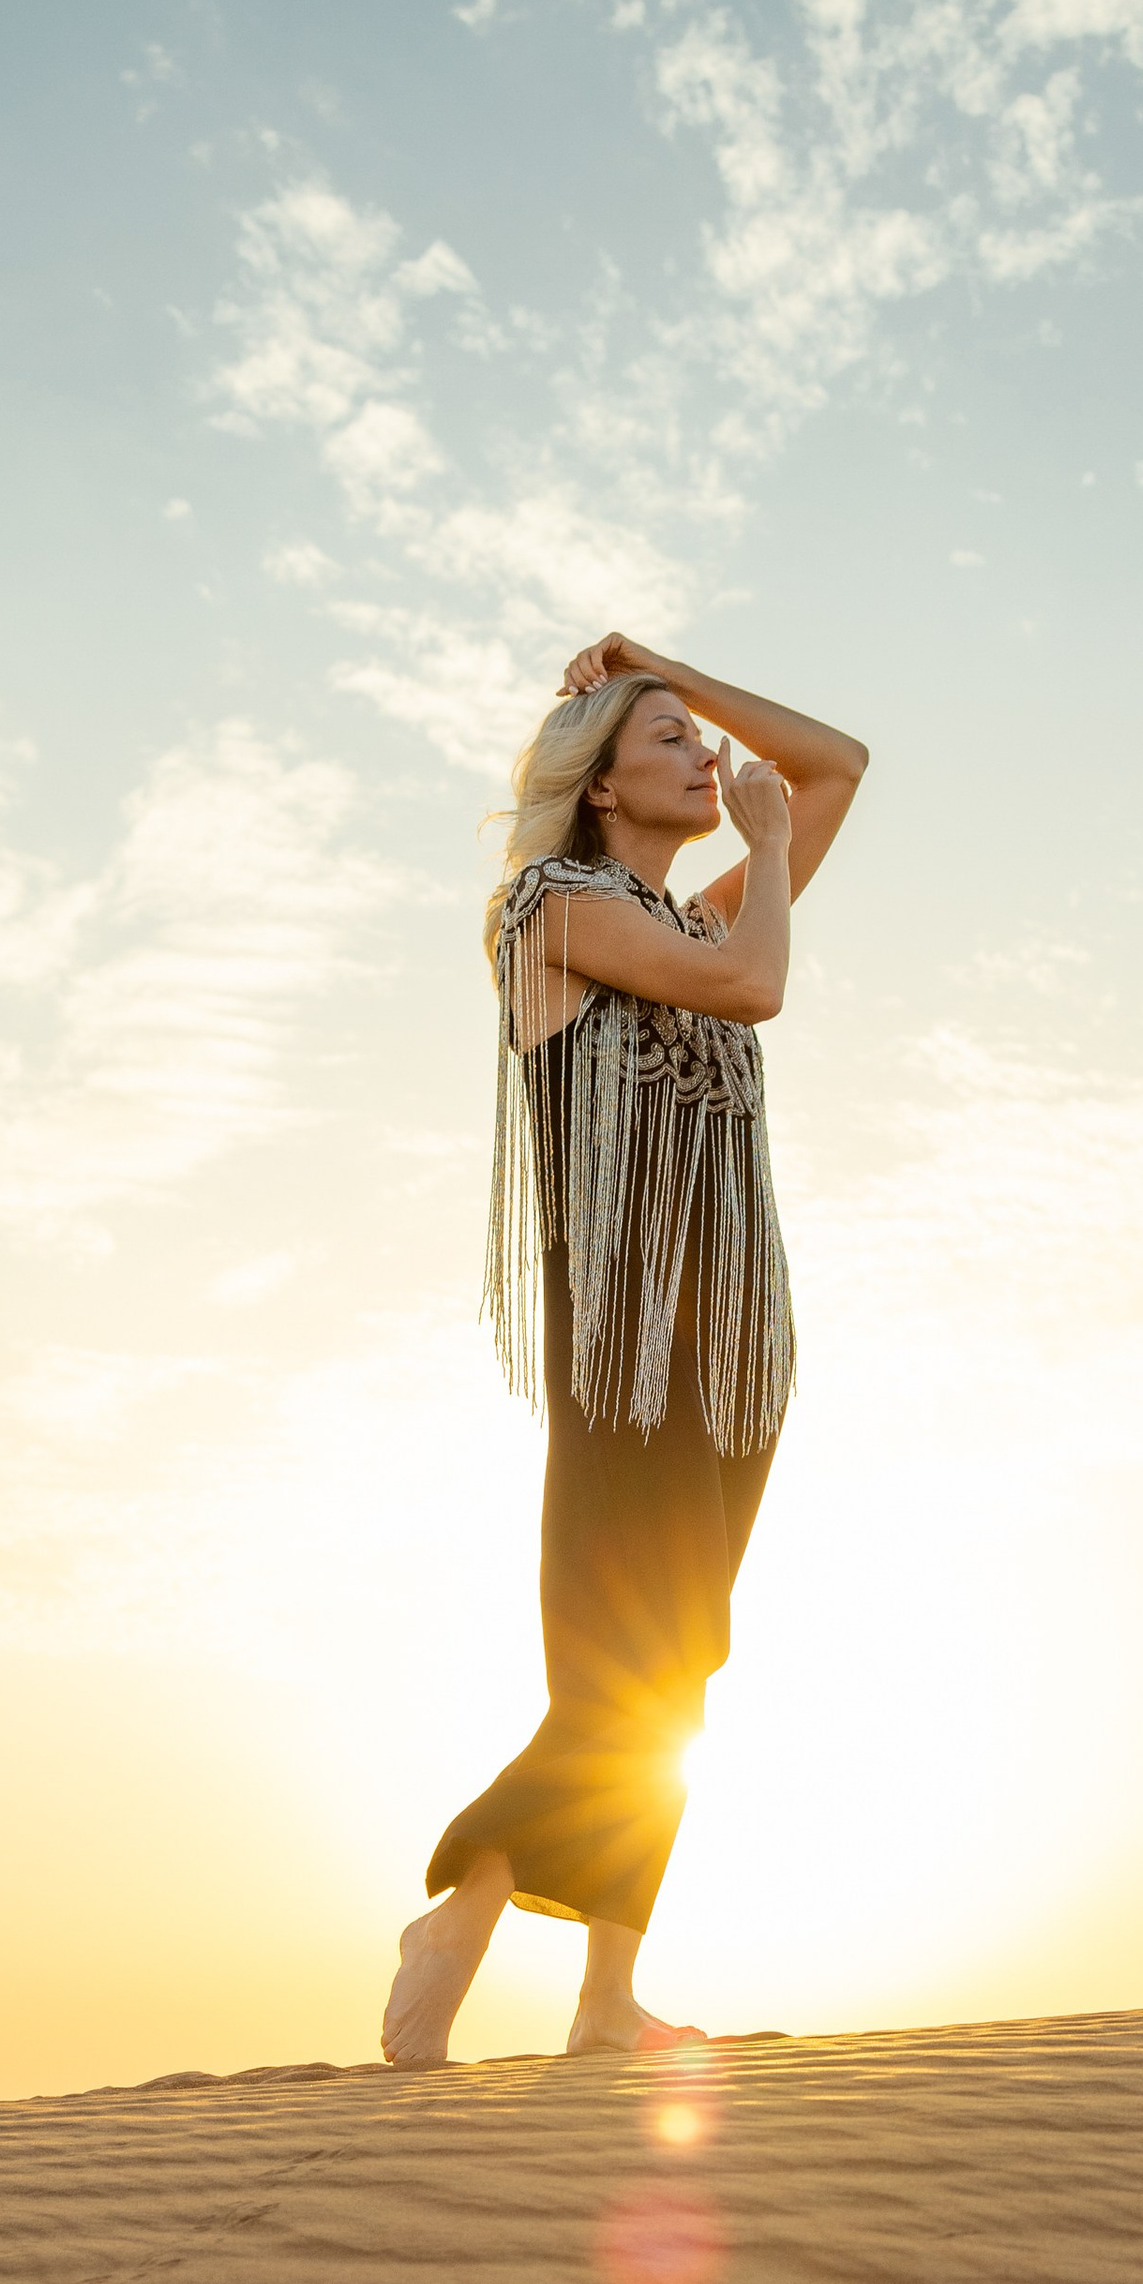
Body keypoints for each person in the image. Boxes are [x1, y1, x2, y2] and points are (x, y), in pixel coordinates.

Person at [380, 634, 869, 2067]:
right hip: (628, 1345)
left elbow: (837, 764)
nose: (705, 759)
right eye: (666, 741)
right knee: (617, 1672)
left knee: (675, 1673)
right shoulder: (551, 909)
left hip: (733, 1350)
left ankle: (604, 2001)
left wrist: (669, 667)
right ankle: (462, 1904)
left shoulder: (694, 920)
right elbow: (756, 989)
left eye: (699, 741)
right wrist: (766, 852)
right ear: (598, 787)